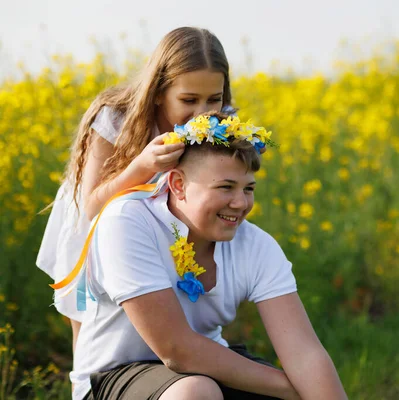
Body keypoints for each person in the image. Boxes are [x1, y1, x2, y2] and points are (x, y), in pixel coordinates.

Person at [66, 112, 348, 400]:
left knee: (307, 384)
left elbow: (304, 353)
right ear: (178, 185)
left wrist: (312, 388)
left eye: (248, 188)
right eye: (225, 187)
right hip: (114, 378)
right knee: (196, 392)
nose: (240, 203)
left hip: (206, 367)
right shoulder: (127, 221)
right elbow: (177, 350)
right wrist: (292, 388)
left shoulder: (255, 244)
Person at [36, 27, 238, 351]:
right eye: (188, 100)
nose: (203, 113)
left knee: (158, 329)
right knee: (94, 334)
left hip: (165, 233)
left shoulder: (222, 120)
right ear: (159, 91)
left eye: (214, 99)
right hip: (95, 231)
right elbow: (90, 206)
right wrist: (142, 166)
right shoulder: (116, 118)